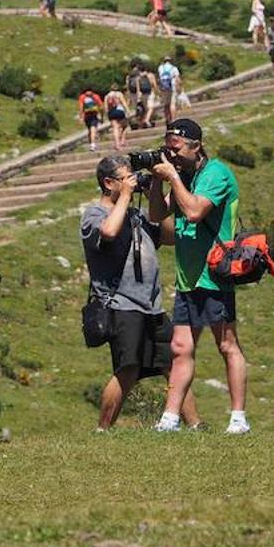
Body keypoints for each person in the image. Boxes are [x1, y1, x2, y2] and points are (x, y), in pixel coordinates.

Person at [148, 118, 250, 435]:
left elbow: (193, 211)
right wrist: (156, 180)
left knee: (227, 345)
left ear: (197, 146)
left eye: (177, 150)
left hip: (215, 275)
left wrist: (174, 178)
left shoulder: (215, 174)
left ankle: (238, 418)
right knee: (181, 347)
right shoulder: (185, 177)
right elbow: (155, 215)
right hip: (188, 278)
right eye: (168, 151)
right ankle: (170, 418)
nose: (173, 157)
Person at [83, 156, 197, 430]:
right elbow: (109, 232)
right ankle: (103, 429)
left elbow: (169, 236)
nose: (132, 182)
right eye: (126, 178)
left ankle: (195, 425)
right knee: (128, 369)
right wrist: (124, 197)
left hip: (152, 305)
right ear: (108, 182)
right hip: (120, 304)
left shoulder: (137, 215)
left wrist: (153, 192)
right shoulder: (94, 215)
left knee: (174, 364)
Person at [103, 84, 130, 151]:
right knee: (125, 125)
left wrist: (106, 115)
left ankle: (117, 144)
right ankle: (122, 141)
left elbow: (106, 107)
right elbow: (123, 102)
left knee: (115, 128)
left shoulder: (107, 96)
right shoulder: (119, 94)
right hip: (119, 111)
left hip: (111, 113)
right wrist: (128, 110)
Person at [77, 87, 104, 151]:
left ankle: (91, 143)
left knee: (90, 130)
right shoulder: (95, 96)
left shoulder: (82, 97)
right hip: (94, 115)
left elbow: (81, 108)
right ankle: (93, 144)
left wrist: (81, 117)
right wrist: (102, 117)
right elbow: (101, 107)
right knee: (93, 130)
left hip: (87, 116)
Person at [157, 55, 182, 124]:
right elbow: (177, 79)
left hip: (164, 88)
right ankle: (173, 119)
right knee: (172, 104)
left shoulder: (160, 68)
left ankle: (167, 118)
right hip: (172, 87)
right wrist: (179, 87)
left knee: (166, 104)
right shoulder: (174, 68)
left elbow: (159, 78)